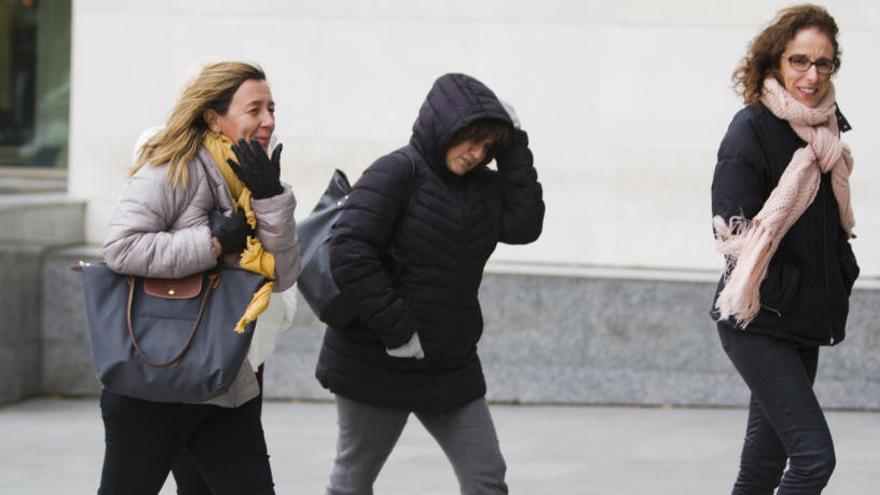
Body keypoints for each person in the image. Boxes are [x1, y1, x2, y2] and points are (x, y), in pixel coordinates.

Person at [315, 72, 544, 494]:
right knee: (354, 479)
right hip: (378, 358)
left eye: (488, 146)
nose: (477, 154)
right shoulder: (396, 171)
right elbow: (349, 252)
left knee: (486, 476)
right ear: (445, 127)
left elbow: (525, 223)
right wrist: (399, 330)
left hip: (449, 363)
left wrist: (515, 145)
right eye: (470, 139)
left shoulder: (484, 188)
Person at [99, 61, 300, 495]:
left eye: (272, 108)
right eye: (254, 109)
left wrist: (269, 198)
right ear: (214, 116)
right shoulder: (172, 168)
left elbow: (282, 276)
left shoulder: (258, 178)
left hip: (225, 380)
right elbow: (120, 248)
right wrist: (210, 243)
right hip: (156, 381)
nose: (268, 120)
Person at [710, 5, 858, 493]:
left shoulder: (827, 131)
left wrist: (840, 271)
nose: (811, 76)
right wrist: (791, 287)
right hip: (759, 317)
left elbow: (829, 228)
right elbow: (731, 232)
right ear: (774, 62)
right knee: (815, 459)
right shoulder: (750, 128)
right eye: (800, 61)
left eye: (823, 63)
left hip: (804, 321)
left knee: (760, 469)